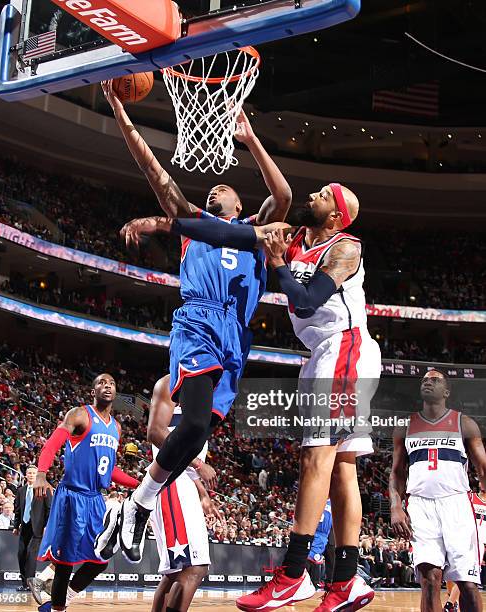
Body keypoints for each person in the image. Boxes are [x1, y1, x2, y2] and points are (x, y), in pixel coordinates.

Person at [131, 184, 379, 610]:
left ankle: (294, 573)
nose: (313, 195)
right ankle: (345, 581)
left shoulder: (345, 248)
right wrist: (166, 224)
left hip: (344, 347)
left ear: (336, 215)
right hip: (329, 352)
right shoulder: (297, 236)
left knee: (316, 458)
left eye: (323, 195)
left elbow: (303, 302)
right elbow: (227, 235)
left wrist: (279, 259)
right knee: (342, 467)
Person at [101, 79, 292, 564]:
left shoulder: (255, 232)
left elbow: (284, 195)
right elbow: (152, 169)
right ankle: (140, 504)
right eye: (211, 189)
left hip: (235, 337)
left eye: (223, 188)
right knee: (198, 418)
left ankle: (135, 505)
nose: (215, 190)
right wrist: (122, 112)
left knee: (197, 431)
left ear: (240, 207)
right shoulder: (190, 224)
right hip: (198, 322)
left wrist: (250, 141)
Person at [33, 374, 138, 612]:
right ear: (93, 391)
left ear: (116, 391)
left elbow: (110, 469)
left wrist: (138, 484)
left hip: (95, 499)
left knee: (101, 559)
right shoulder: (79, 414)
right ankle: (57, 609)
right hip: (72, 495)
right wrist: (41, 474)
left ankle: (62, 599)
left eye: (111, 383)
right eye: (101, 382)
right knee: (65, 563)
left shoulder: (116, 428)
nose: (106, 385)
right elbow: (52, 444)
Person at [390, 370, 486, 612]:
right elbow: (397, 473)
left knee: (467, 582)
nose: (427, 382)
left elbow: (483, 470)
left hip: (456, 504)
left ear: (446, 391)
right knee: (429, 580)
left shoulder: (464, 423)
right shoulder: (406, 426)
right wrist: (395, 506)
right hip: (420, 505)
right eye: (424, 380)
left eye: (434, 380)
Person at [147, 375, 222, 612]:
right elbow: (159, 437)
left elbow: (187, 454)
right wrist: (199, 465)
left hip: (184, 485)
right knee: (192, 568)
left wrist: (202, 494)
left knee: (176, 573)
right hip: (171, 484)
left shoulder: (202, 394)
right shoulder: (171, 386)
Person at [13, 465, 52, 592]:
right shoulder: (21, 491)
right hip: (24, 526)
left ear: (37, 475)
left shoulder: (44, 489)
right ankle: (24, 583)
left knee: (31, 554)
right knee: (21, 554)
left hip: (38, 527)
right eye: (29, 473)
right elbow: (18, 510)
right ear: (26, 475)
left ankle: (31, 585)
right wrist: (15, 526)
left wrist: (47, 526)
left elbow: (49, 510)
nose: (31, 475)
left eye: (33, 473)